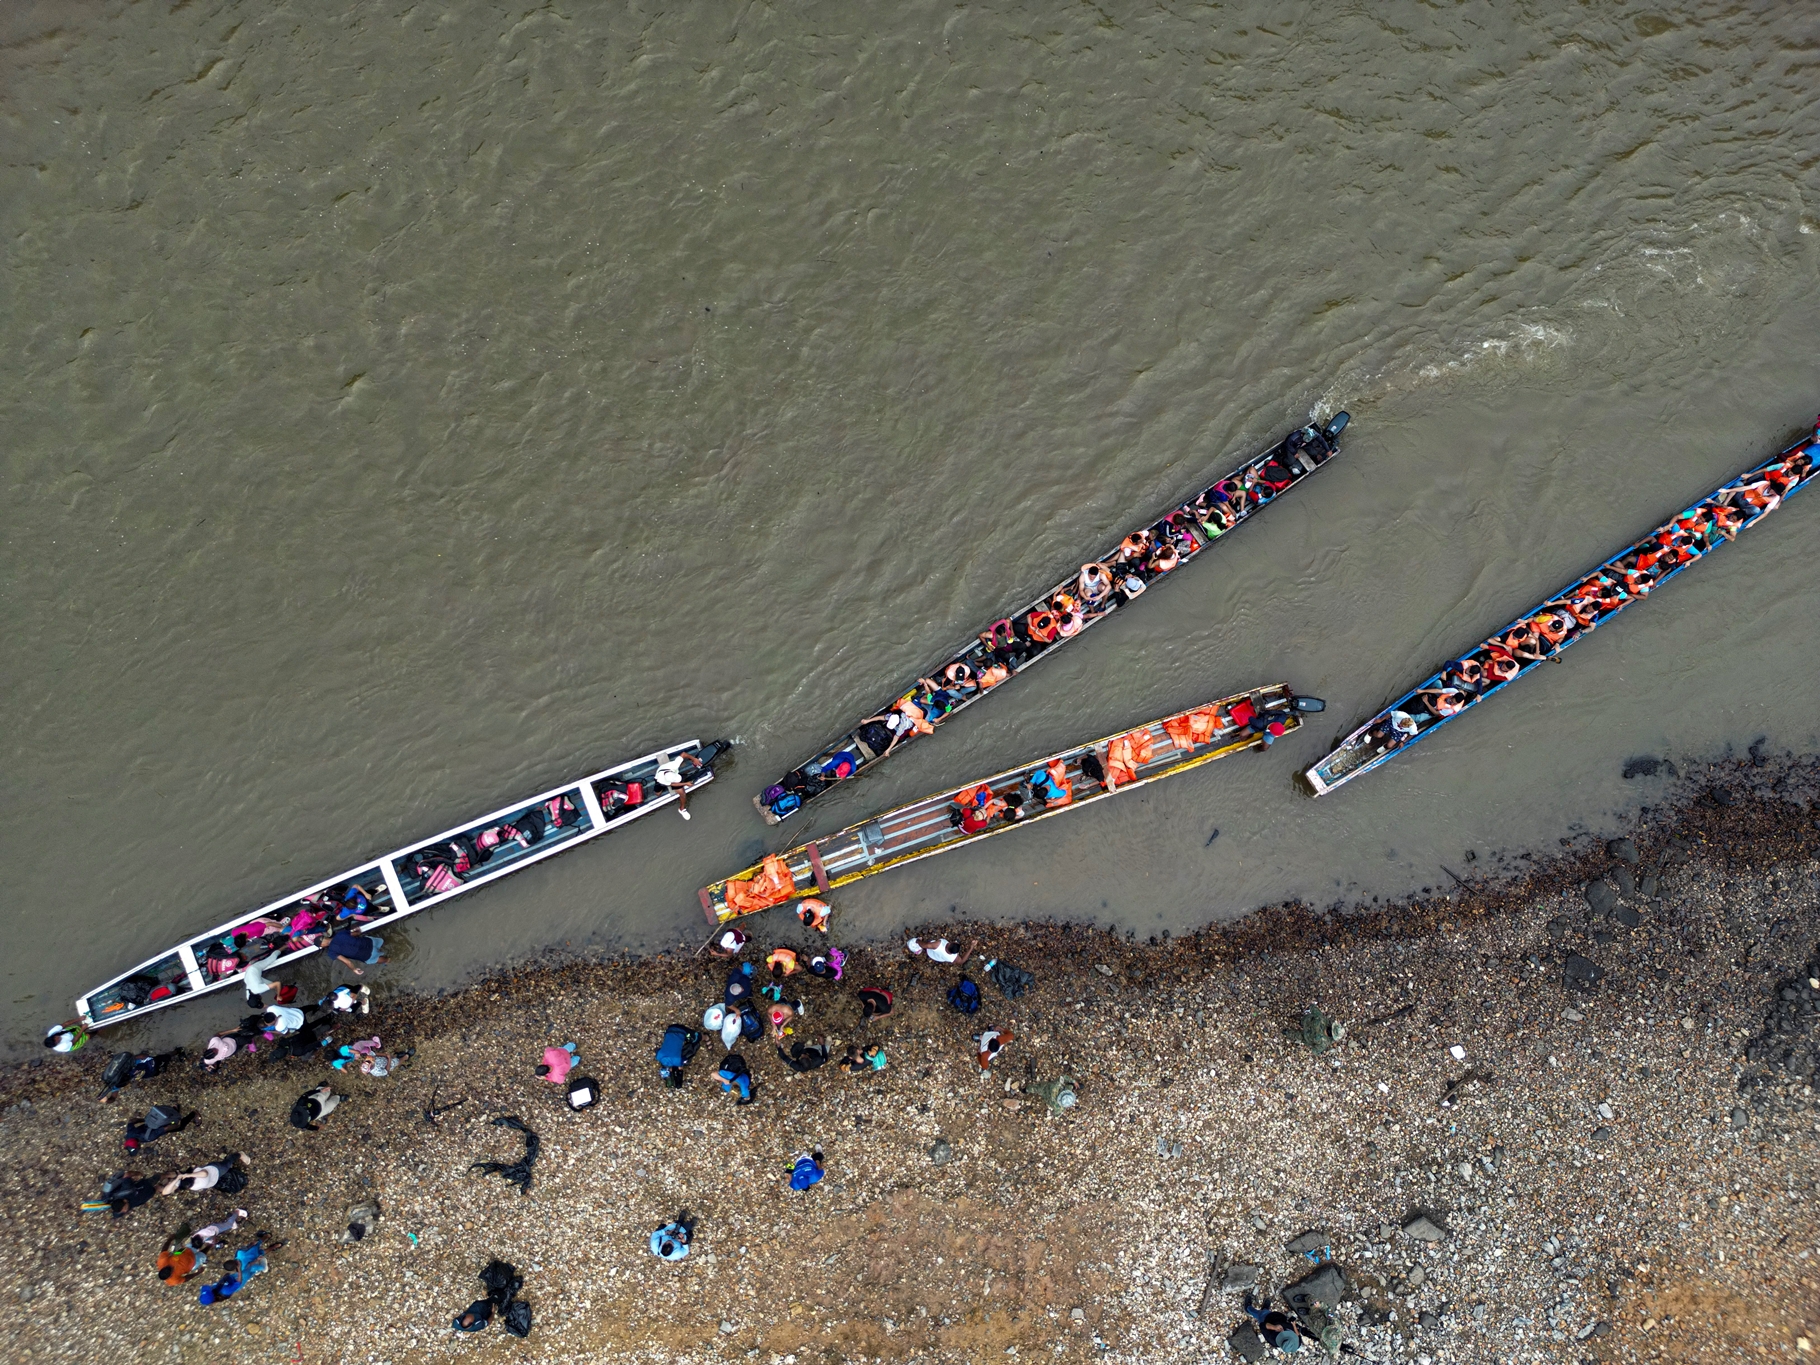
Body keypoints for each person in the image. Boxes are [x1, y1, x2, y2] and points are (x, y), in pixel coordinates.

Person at [654, 749, 708, 819]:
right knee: (657, 793)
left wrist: (694, 759)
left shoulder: (674, 765)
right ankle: (661, 790)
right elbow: (673, 784)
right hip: (662, 781)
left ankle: (681, 809)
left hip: (673, 773)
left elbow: (684, 754)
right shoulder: (661, 780)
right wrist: (685, 783)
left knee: (682, 794)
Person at [161, 1153, 249, 1196]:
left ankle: (239, 1154)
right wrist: (176, 1179)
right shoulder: (182, 1183)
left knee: (228, 1163)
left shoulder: (196, 1175)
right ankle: (167, 1175)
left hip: (216, 1169)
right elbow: (165, 1192)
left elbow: (204, 1173)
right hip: (214, 1177)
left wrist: (189, 1175)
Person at [123, 1104, 193, 1152]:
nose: (138, 1149)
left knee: (179, 1126)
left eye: (137, 1148)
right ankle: (173, 1109)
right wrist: (144, 1120)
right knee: (164, 1117)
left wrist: (177, 1125)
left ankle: (193, 1114)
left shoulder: (149, 1137)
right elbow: (131, 1121)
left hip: (160, 1125)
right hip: (151, 1122)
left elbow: (165, 1128)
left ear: (138, 1145)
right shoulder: (129, 1134)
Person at [906, 936, 970, 965]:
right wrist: (971, 947)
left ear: (949, 944)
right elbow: (961, 961)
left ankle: (920, 950)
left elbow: (926, 945)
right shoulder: (953, 957)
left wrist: (917, 941)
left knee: (927, 943)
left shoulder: (938, 945)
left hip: (930, 952)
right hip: (938, 958)